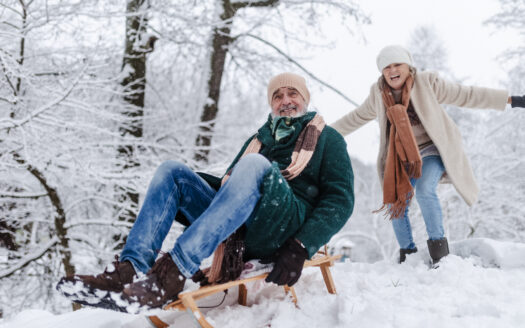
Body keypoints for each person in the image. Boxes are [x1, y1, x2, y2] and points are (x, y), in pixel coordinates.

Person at [57, 72, 354, 312]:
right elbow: (232, 191)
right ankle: (130, 269)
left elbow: (340, 200)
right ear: (271, 104)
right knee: (172, 172)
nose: (285, 101)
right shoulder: (259, 139)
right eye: (277, 96)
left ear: (305, 99)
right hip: (243, 229)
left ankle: (171, 273)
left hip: (284, 227)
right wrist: (191, 188)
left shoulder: (328, 139)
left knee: (252, 165)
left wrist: (301, 246)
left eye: (292, 94)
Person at [331, 45, 525, 265]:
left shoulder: (426, 83)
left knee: (424, 189)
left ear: (408, 66)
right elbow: (355, 118)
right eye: (387, 67)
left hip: (432, 150)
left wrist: (512, 100)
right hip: (402, 156)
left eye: (397, 65)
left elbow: (466, 94)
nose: (392, 70)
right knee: (397, 201)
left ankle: (439, 251)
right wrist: (323, 133)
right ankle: (408, 254)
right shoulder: (378, 95)